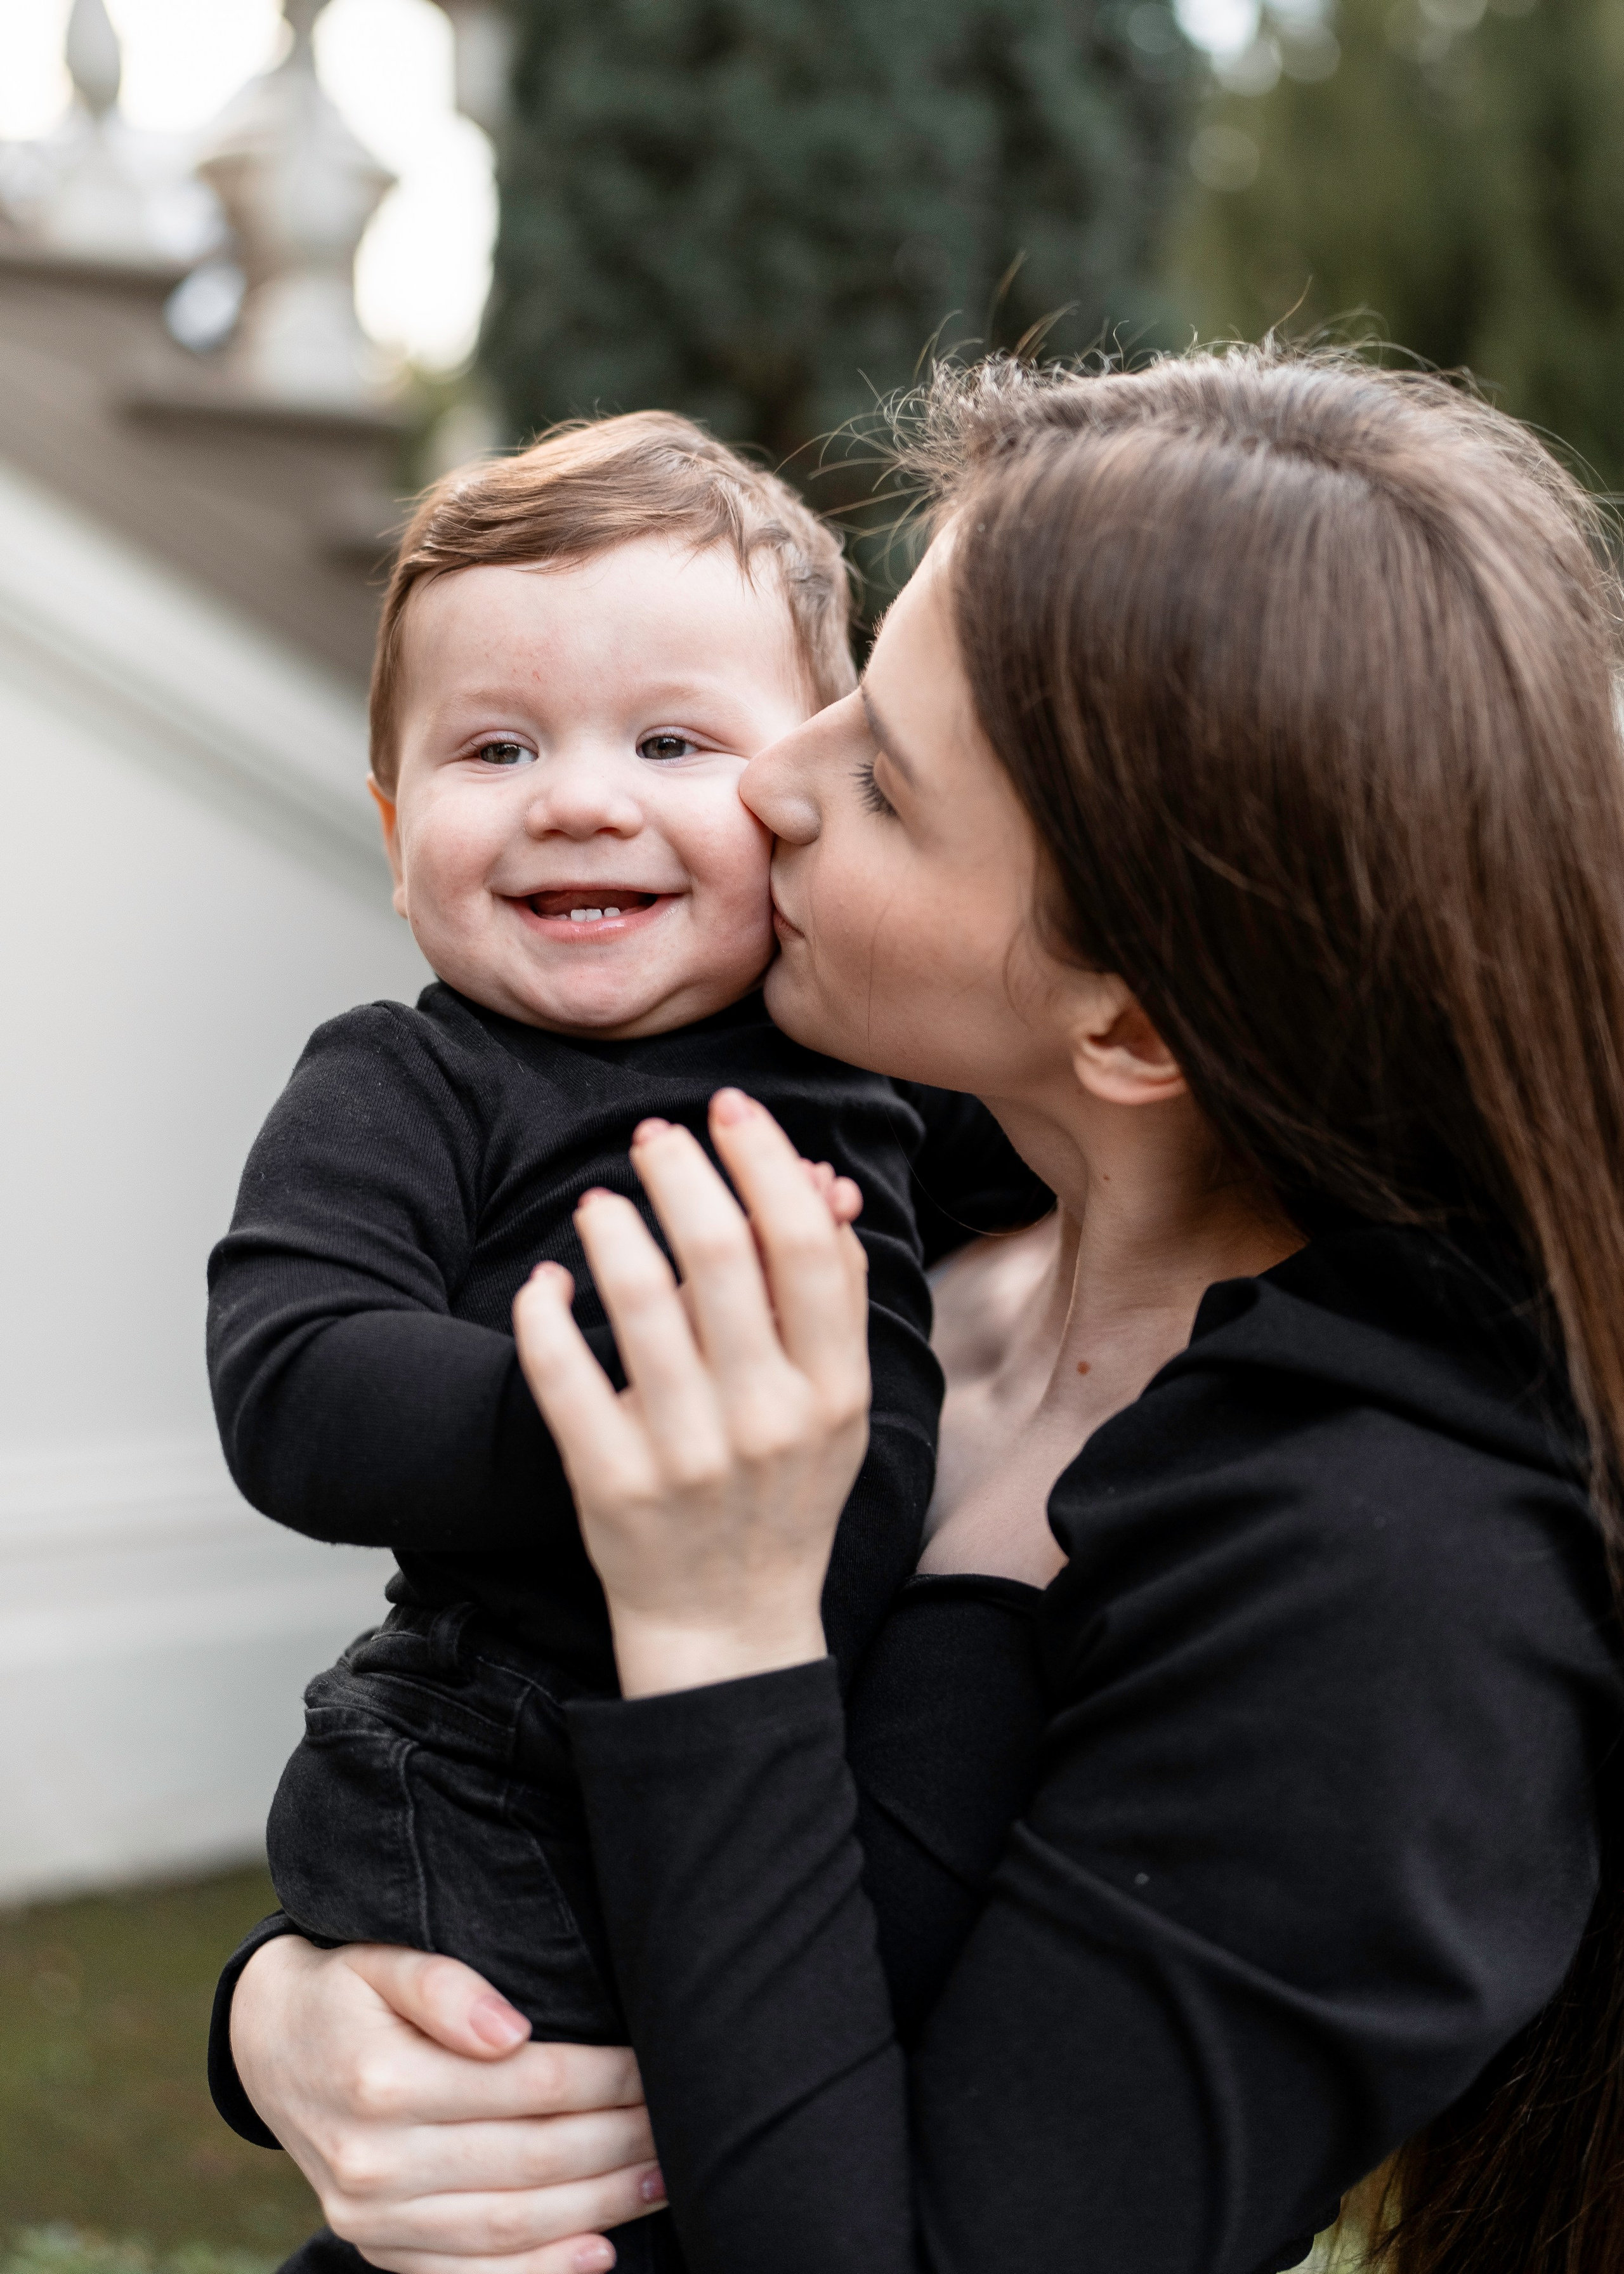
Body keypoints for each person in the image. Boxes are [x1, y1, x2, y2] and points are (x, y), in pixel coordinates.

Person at [214, 348, 1624, 2274]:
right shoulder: (880, 1216)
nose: (765, 781)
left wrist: (718, 1610)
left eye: (878, 773)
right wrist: (295, 2022)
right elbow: (495, 1727)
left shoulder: (1392, 1590)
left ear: (1129, 1022)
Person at [204, 411, 1045, 2273]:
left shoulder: (891, 1072)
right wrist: (623, 1435)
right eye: (495, 749)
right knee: (545, 2174)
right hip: (498, 1754)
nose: (580, 799)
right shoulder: (413, 1081)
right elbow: (292, 1373)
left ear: (808, 792)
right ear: (392, 822)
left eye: (673, 743)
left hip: (778, 1750)